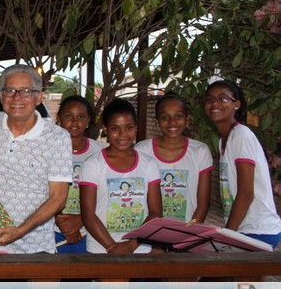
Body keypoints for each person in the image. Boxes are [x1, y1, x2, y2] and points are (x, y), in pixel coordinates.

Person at [0, 64, 72, 253]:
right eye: (10, 90)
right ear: (1, 96)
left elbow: (58, 198)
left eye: (26, 91)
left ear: (38, 97)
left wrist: (18, 231)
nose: (17, 98)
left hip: (36, 244)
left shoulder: (58, 137)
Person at [203, 79, 281, 248]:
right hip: (244, 229)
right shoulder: (224, 140)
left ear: (236, 104)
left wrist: (226, 235)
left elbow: (246, 194)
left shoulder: (241, 136)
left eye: (223, 98)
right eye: (209, 99)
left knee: (213, 273)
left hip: (257, 230)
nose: (215, 103)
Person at [80, 98, 162, 254]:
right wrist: (112, 247)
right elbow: (88, 215)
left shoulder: (149, 164)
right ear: (105, 129)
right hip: (102, 249)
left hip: (140, 249)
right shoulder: (92, 164)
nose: (123, 134)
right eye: (115, 128)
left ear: (136, 128)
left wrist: (131, 245)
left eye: (129, 127)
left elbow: (156, 213)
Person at [135, 92, 213, 223]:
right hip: (149, 234)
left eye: (178, 116)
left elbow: (203, 204)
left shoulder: (200, 151)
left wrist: (189, 235)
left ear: (187, 120)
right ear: (157, 121)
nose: (172, 122)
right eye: (165, 117)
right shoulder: (142, 150)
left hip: (186, 233)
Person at [53, 95, 105, 253]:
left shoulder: (100, 152)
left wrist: (81, 220)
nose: (75, 122)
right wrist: (64, 224)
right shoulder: (48, 149)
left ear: (89, 120)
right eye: (69, 116)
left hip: (90, 230)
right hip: (53, 230)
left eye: (81, 117)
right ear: (59, 118)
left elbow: (106, 192)